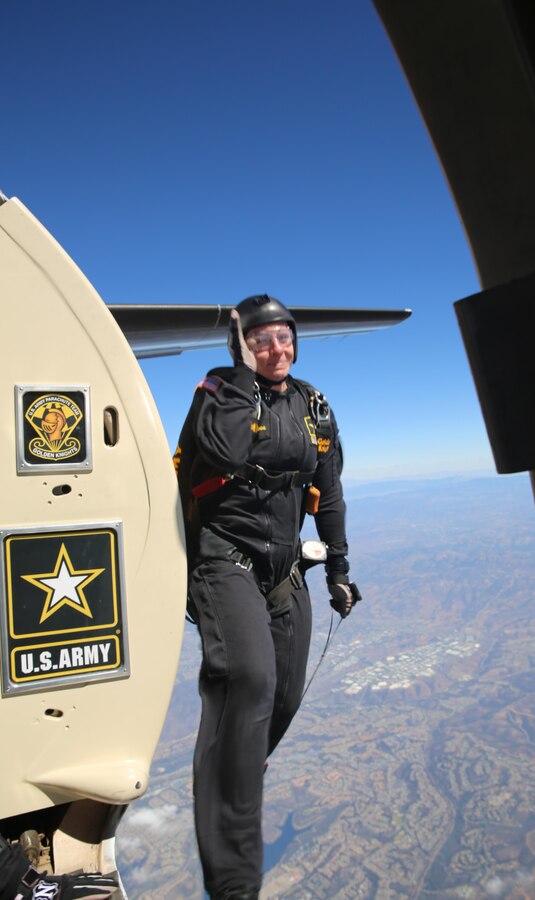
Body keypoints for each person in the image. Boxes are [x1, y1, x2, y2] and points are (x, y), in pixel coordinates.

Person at [174, 294, 361, 900]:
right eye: (260, 340)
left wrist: (337, 567)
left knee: (283, 692)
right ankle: (233, 883)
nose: (276, 349)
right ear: (242, 345)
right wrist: (241, 376)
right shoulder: (219, 392)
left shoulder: (313, 406)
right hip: (223, 557)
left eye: (283, 338)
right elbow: (225, 453)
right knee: (248, 679)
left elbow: (326, 492)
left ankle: (234, 763)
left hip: (284, 568)